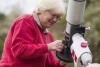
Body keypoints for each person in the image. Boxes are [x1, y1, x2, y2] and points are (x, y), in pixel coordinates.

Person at [0, 0, 66, 67]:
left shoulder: (49, 36)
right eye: (53, 15)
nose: (55, 19)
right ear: (41, 9)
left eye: (58, 17)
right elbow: (19, 51)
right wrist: (48, 47)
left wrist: (63, 61)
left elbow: (49, 65)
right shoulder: (25, 21)